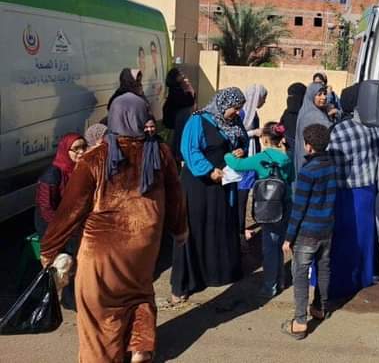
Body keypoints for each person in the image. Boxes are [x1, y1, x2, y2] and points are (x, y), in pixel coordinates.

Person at [40, 93, 187, 363]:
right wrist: (180, 230)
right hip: (144, 247)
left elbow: (70, 210)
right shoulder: (160, 151)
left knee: (100, 315)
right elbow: (176, 196)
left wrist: (49, 249)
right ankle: (140, 348)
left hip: (102, 252)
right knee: (140, 296)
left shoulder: (95, 158)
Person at [171, 87, 248, 303]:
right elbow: (190, 149)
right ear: (224, 104)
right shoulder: (198, 120)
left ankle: (217, 273)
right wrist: (208, 170)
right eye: (235, 108)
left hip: (223, 183)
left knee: (218, 225)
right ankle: (186, 283)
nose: (237, 112)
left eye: (239, 108)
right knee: (195, 228)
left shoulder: (235, 122)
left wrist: (241, 150)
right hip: (199, 183)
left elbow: (243, 140)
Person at [224, 122, 294, 298]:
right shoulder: (287, 157)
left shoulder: (260, 158)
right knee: (279, 244)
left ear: (265, 139)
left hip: (268, 205)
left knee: (269, 247)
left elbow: (237, 165)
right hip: (286, 203)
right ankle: (280, 280)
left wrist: (228, 154)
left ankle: (270, 286)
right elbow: (291, 178)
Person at [281, 124, 337, 340]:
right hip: (326, 228)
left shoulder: (307, 172)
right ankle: (320, 307)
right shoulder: (331, 165)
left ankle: (299, 322)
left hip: (307, 232)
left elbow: (299, 208)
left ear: (309, 146)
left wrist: (288, 238)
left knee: (300, 273)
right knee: (323, 268)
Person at [327, 84, 379, 299]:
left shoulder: (341, 130)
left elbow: (332, 160)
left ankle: (343, 282)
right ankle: (364, 277)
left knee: (344, 238)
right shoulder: (373, 126)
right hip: (368, 189)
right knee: (365, 235)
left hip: (346, 191)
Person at [34, 133, 87, 238]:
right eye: (76, 148)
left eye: (84, 147)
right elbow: (46, 209)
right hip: (51, 224)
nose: (81, 152)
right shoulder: (52, 175)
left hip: (72, 218)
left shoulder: (81, 169)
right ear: (65, 150)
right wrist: (67, 226)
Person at [237, 84, 269, 241]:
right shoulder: (242, 113)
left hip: (252, 155)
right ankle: (240, 229)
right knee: (242, 195)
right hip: (245, 158)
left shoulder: (253, 113)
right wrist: (254, 132)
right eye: (263, 98)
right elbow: (238, 133)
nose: (264, 101)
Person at [293, 82, 332, 176]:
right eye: (319, 94)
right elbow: (331, 131)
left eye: (325, 93)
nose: (324, 97)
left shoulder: (308, 109)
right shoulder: (314, 114)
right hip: (313, 162)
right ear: (311, 96)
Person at [162, 68, 196, 159]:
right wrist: (190, 91)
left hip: (175, 124)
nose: (183, 75)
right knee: (173, 147)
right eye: (180, 74)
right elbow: (189, 101)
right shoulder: (175, 91)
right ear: (175, 77)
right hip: (174, 125)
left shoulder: (177, 89)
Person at [280, 83, 306, 155]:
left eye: (293, 96)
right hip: (289, 150)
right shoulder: (287, 113)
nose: (290, 99)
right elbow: (281, 127)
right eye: (289, 96)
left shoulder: (307, 114)